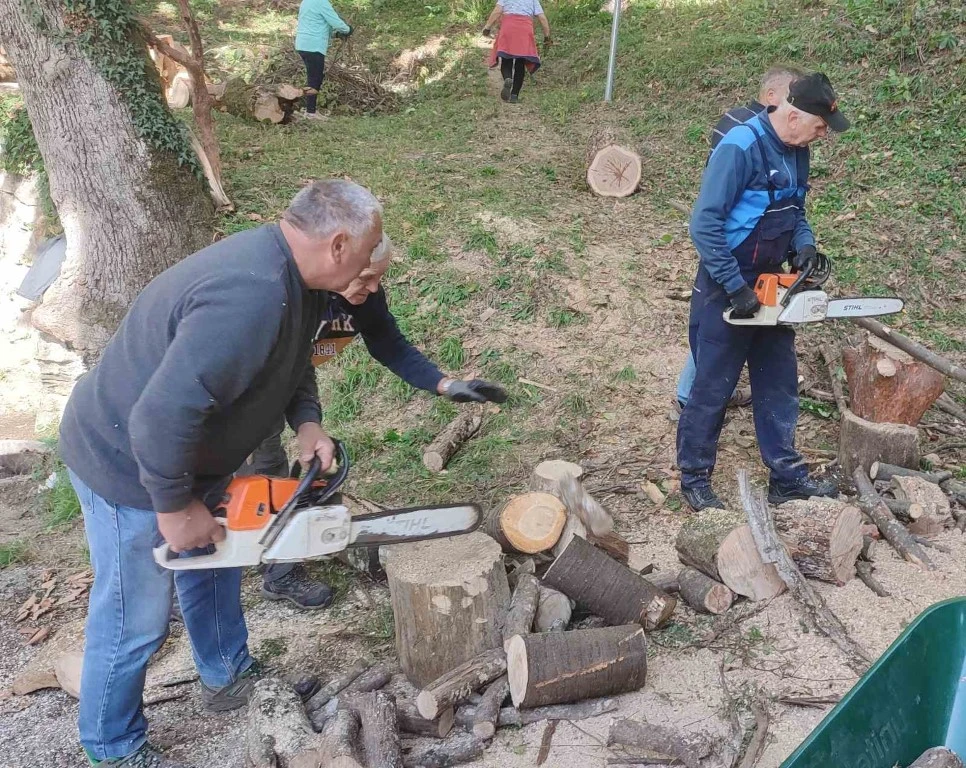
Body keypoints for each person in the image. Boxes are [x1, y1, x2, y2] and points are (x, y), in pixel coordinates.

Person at [58, 179, 383, 767]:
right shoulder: (251, 294)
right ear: (339, 244)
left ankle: (226, 673)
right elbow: (158, 417)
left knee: (215, 565)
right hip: (124, 460)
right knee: (135, 615)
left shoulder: (300, 282)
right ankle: (112, 746)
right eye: (365, 251)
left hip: (188, 455)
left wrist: (307, 424)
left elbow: (292, 363)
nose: (370, 266)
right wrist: (175, 507)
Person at [243, 235, 508, 609]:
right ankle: (187, 576)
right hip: (239, 387)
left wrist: (446, 385)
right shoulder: (285, 295)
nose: (372, 288)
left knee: (287, 476)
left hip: (285, 376)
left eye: (378, 278)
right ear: (338, 263)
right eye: (365, 277)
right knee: (248, 474)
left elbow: (386, 343)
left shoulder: (361, 296)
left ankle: (276, 566)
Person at [676, 73, 849, 511]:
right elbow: (704, 224)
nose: (823, 134)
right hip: (727, 282)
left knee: (779, 380)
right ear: (793, 116)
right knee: (712, 386)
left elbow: (795, 210)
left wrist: (804, 246)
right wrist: (735, 287)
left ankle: (786, 477)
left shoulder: (798, 151)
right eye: (820, 126)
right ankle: (694, 478)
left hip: (771, 281)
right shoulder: (740, 146)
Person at [671, 65, 805, 421]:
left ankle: (705, 393)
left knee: (731, 336)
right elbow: (715, 207)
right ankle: (688, 397)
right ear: (772, 96)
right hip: (732, 245)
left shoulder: (783, 140)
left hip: (759, 253)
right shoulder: (742, 130)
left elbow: (792, 203)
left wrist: (799, 242)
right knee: (716, 334)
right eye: (792, 97)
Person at [482, 0, 551, 103]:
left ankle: (507, 78)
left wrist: (487, 27)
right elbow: (542, 18)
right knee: (520, 63)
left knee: (506, 59)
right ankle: (514, 95)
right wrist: (547, 36)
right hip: (525, 30)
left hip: (508, 27)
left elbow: (497, 11)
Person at [295, 0, 352, 121]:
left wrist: (335, 35)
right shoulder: (321, 2)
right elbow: (334, 21)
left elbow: (318, 24)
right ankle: (310, 112)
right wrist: (347, 30)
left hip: (302, 44)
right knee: (315, 79)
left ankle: (308, 108)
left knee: (313, 77)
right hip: (314, 46)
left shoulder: (306, 2)